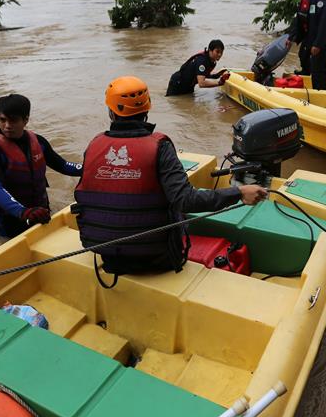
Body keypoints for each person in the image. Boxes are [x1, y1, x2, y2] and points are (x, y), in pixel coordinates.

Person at [74, 76, 267, 275]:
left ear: (111, 112)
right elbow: (187, 201)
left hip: (105, 253)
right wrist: (239, 192)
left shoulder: (94, 145)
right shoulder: (160, 146)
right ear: (147, 109)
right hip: (156, 259)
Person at [0, 94, 83, 237]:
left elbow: (63, 165)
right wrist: (23, 212)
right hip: (12, 218)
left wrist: (91, 169)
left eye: (13, 120)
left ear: (26, 119)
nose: (7, 126)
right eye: (2, 120)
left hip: (41, 212)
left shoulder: (38, 142)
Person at [285, 0, 326, 90]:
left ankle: (320, 91)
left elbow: (324, 23)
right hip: (309, 36)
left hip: (320, 38)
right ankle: (306, 77)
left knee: (318, 68)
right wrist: (291, 37)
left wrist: (318, 44)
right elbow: (299, 18)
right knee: (303, 55)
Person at [166, 39, 231, 96]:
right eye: (217, 51)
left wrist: (218, 75)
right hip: (177, 84)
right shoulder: (202, 61)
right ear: (210, 50)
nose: (219, 54)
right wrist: (219, 82)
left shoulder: (211, 61)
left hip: (189, 86)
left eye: (221, 52)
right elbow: (201, 83)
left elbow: (203, 75)